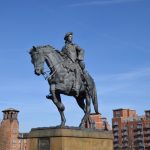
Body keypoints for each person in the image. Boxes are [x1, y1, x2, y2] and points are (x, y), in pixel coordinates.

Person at [61, 32, 86, 96]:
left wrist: (79, 58)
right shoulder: (63, 48)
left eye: (72, 37)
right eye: (70, 37)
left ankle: (76, 87)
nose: (71, 38)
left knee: (76, 70)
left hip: (74, 62)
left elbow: (82, 50)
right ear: (66, 38)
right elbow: (62, 56)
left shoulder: (74, 45)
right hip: (66, 63)